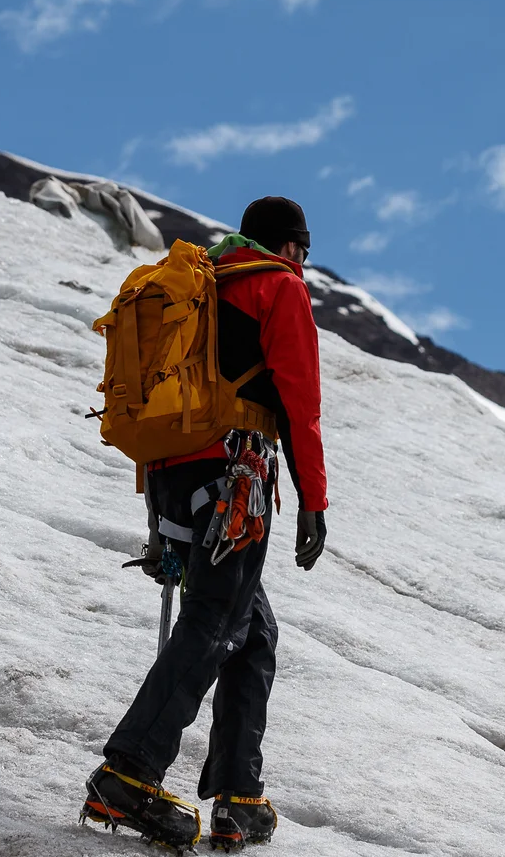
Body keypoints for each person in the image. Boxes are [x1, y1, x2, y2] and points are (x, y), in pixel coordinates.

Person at [82, 196, 329, 852]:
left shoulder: (205, 279)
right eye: (304, 251)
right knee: (218, 622)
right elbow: (300, 403)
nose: (304, 263)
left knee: (251, 630)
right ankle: (128, 775)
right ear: (292, 247)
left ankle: (238, 797)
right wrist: (314, 500)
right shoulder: (279, 288)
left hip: (173, 474)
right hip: (234, 479)